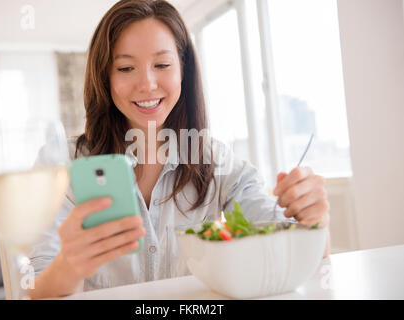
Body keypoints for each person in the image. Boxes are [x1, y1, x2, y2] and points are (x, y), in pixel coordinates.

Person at [28, 0, 330, 299]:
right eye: (126, 67)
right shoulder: (62, 165)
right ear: (105, 78)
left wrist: (312, 219)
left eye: (162, 65)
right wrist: (70, 263)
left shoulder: (217, 164)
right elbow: (35, 289)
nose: (147, 84)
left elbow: (288, 251)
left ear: (183, 70)